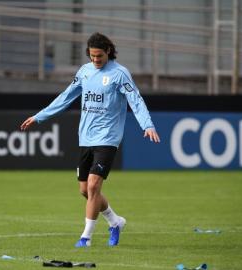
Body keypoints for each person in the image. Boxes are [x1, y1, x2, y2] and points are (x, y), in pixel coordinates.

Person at [20, 32, 160, 247]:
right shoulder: (84, 72)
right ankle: (115, 221)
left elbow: (136, 100)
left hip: (108, 137)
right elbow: (66, 96)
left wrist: (147, 124)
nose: (95, 60)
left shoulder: (120, 74)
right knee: (85, 190)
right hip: (86, 137)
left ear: (108, 52)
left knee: (94, 185)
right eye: (92, 56)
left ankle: (85, 237)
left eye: (99, 57)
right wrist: (39, 117)